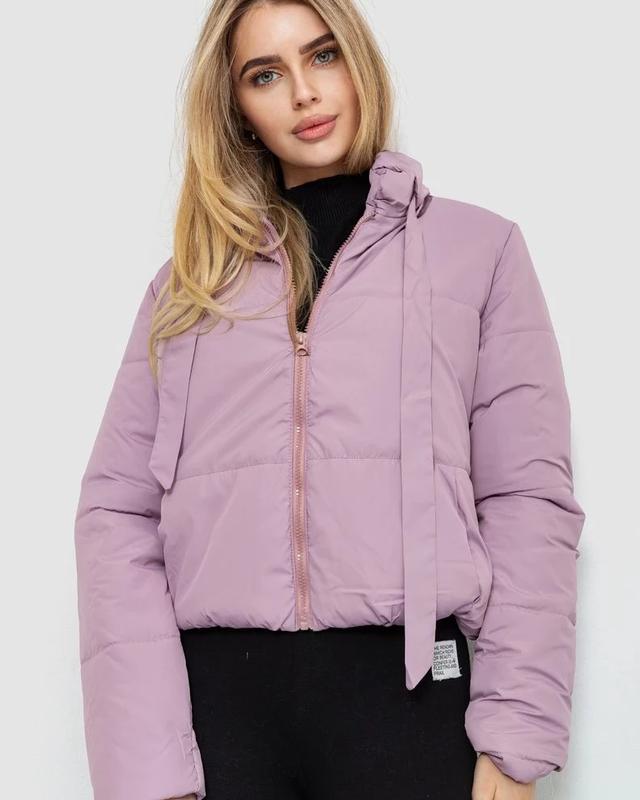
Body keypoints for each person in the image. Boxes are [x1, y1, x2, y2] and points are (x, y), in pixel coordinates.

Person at [73, 2, 586, 799]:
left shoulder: (478, 255)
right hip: (222, 722)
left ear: (359, 62)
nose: (303, 93)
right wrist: (145, 765)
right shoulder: (188, 289)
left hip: (409, 706)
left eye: (323, 56)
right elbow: (116, 515)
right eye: (265, 75)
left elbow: (526, 500)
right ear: (237, 109)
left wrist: (516, 734)